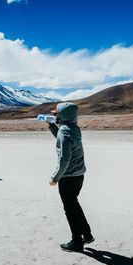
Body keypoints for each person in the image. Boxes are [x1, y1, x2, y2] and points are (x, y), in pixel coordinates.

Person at [46, 102, 94, 253]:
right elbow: (63, 139)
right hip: (79, 175)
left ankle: (76, 242)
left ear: (63, 115)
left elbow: (64, 158)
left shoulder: (64, 131)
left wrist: (55, 178)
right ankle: (86, 234)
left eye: (57, 114)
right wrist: (52, 127)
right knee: (74, 205)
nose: (55, 116)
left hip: (68, 177)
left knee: (69, 209)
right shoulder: (73, 129)